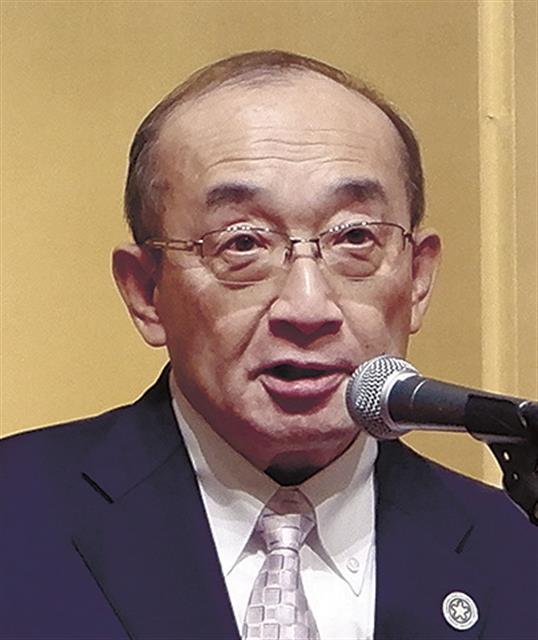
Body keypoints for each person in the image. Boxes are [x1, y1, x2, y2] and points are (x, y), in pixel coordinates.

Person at [1, 50, 536, 640]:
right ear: (146, 292)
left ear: (417, 280)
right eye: (242, 244)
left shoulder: (517, 552)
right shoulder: (16, 516)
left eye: (355, 238)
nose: (307, 308)